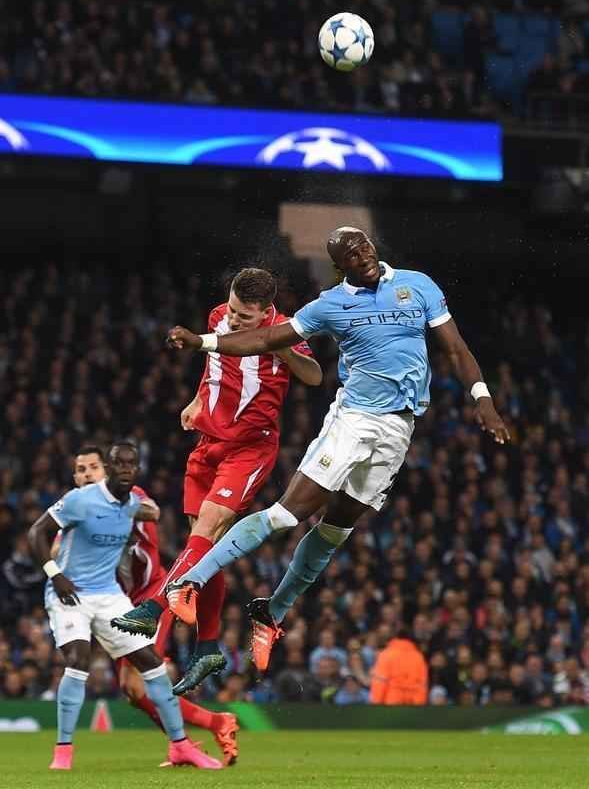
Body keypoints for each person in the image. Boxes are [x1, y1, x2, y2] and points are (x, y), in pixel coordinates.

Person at [162, 226, 510, 687]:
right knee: (289, 514)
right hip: (354, 420)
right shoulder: (329, 304)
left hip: (399, 428)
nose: (361, 254)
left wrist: (482, 399)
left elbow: (456, 349)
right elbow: (266, 340)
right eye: (349, 252)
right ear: (339, 265)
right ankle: (190, 581)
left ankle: (272, 611)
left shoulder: (418, 285)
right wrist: (203, 341)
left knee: (334, 532)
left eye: (363, 245)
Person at [111, 267, 322, 693]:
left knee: (206, 530)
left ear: (266, 313)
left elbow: (314, 376)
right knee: (204, 546)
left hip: (249, 448)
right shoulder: (216, 318)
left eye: (245, 317)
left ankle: (154, 606)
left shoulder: (286, 331)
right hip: (208, 443)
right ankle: (207, 645)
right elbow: (213, 367)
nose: (234, 319)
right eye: (232, 308)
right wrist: (195, 400)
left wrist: (282, 351)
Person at [28, 442, 221, 771]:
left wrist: (152, 513)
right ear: (110, 467)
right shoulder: (80, 500)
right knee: (78, 658)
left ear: (137, 470)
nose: (126, 469)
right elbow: (36, 534)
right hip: (69, 593)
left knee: (152, 662)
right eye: (120, 464)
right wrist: (55, 575)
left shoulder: (132, 504)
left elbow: (148, 511)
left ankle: (181, 747)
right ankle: (63, 753)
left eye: (132, 464)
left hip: (109, 595)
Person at [369, 627, 428, 705]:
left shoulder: (386, 654)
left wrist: (376, 703)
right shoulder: (419, 657)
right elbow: (422, 685)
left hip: (392, 702)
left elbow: (379, 682)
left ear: (395, 638)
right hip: (413, 703)